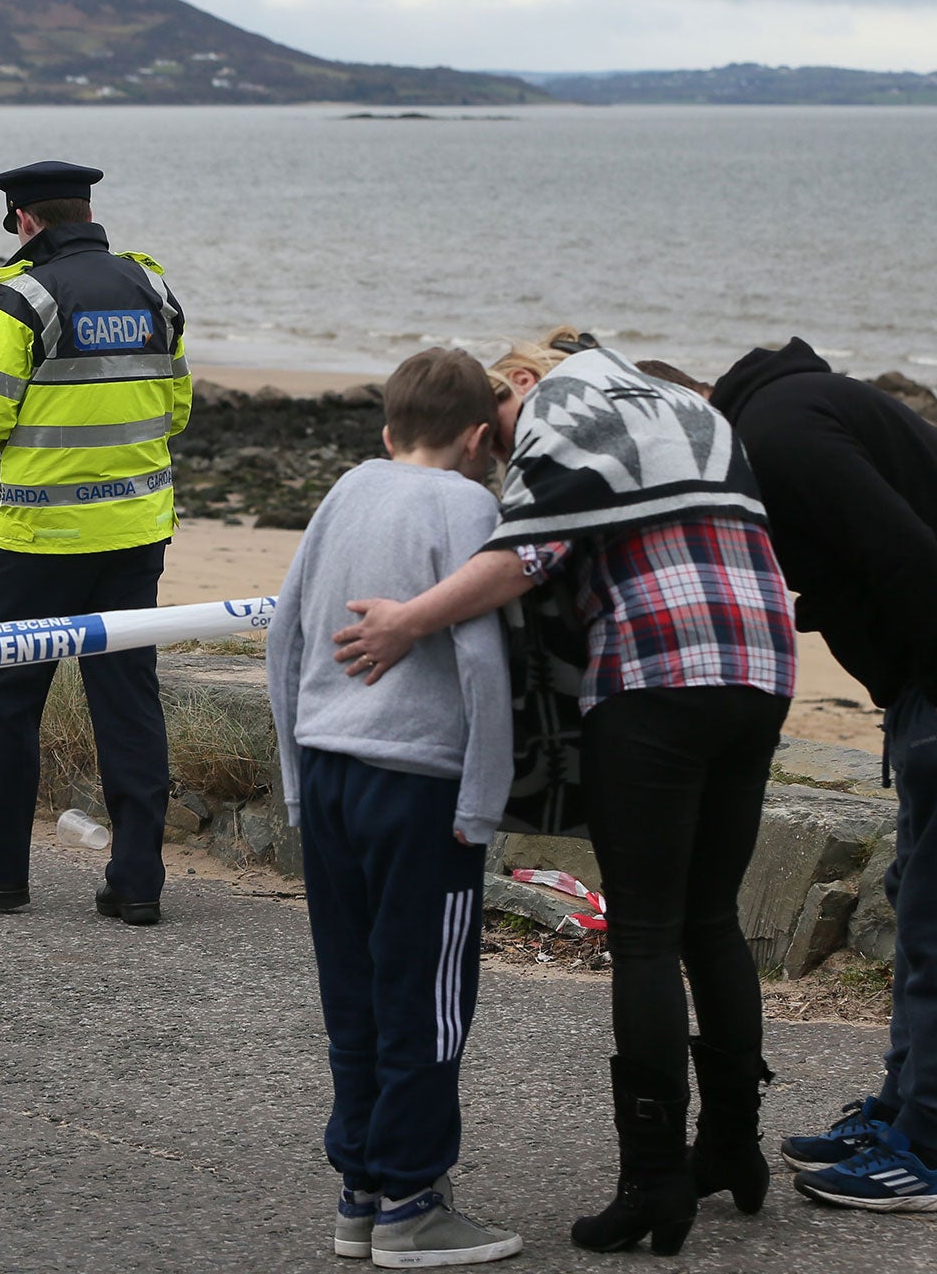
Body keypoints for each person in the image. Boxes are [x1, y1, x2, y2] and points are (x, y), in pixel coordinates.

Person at [333, 330, 796, 1259]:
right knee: (712, 920)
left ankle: (655, 1183)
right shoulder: (695, 411)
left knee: (647, 935)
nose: (498, 453)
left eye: (495, 431)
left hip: (657, 676)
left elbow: (524, 558)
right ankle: (733, 1149)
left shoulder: (563, 410)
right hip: (760, 669)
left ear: (522, 382)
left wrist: (408, 621)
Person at [708, 338, 937, 1214]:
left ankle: (922, 1151)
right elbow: (858, 558)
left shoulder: (781, 437)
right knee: (921, 890)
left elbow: (905, 550)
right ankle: (895, 1111)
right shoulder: (787, 413)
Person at [268, 347, 523, 1269]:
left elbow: (285, 633)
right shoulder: (469, 507)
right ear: (472, 438)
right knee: (430, 996)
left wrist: (296, 773)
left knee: (357, 991)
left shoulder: (346, 490)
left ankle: (360, 1191)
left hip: (330, 770)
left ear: (386, 431)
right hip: (420, 783)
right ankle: (414, 1202)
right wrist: (486, 797)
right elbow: (483, 661)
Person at [0, 161, 191, 926]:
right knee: (129, 698)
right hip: (137, 532)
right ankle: (137, 879)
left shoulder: (20, 298)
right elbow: (176, 407)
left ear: (23, 220)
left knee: (9, 701)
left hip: (41, 537)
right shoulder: (153, 290)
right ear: (88, 210)